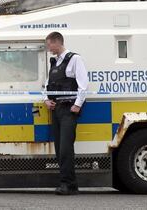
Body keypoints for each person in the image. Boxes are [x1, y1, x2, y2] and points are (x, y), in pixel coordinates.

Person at [44, 31, 88, 195]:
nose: (49, 48)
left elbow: (83, 85)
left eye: (49, 45)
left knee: (65, 149)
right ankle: (71, 185)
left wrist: (77, 105)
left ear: (57, 42)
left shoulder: (74, 59)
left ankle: (67, 184)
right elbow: (47, 85)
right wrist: (46, 100)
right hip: (56, 110)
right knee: (59, 148)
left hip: (69, 110)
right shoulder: (54, 63)